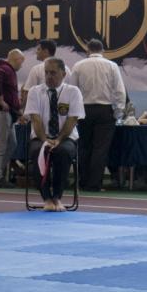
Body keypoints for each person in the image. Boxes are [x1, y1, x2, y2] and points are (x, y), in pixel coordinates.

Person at [25, 57, 85, 211]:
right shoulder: (34, 92)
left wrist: (58, 139)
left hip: (66, 137)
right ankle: (46, 198)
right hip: (41, 136)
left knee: (63, 152)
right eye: (46, 73)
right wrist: (45, 140)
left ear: (63, 74)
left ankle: (57, 197)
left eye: (53, 73)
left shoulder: (73, 92)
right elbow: (35, 119)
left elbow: (72, 119)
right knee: (38, 151)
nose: (49, 76)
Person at [68, 38, 126, 191]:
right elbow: (119, 92)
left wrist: (73, 112)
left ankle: (82, 182)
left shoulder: (78, 66)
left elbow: (72, 91)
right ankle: (94, 184)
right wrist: (117, 112)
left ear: (87, 50)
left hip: (84, 110)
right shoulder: (112, 66)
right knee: (100, 149)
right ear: (103, 51)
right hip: (105, 111)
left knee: (83, 147)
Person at [0, 48, 25, 187]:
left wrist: (17, 110)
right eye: (21, 62)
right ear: (16, 59)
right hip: (0, 112)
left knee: (11, 143)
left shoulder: (8, 70)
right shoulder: (5, 69)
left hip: (7, 113)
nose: (22, 65)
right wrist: (0, 100)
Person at [21, 39, 71, 107]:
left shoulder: (36, 69)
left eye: (38, 49)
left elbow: (28, 93)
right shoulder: (67, 69)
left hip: (41, 109)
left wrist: (24, 110)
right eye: (47, 72)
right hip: (62, 108)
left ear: (45, 51)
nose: (36, 52)